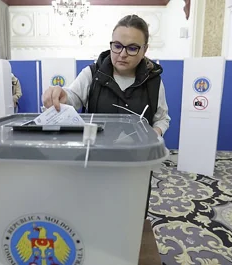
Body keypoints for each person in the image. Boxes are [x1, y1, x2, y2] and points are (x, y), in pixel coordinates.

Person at [42, 14, 171, 218]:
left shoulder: (154, 82)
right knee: (93, 212)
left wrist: (155, 132)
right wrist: (61, 95)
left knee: (130, 214)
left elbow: (162, 118)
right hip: (95, 162)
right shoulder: (91, 74)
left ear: (145, 50)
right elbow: (72, 97)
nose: (122, 54)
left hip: (135, 165)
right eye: (117, 45)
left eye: (132, 47)